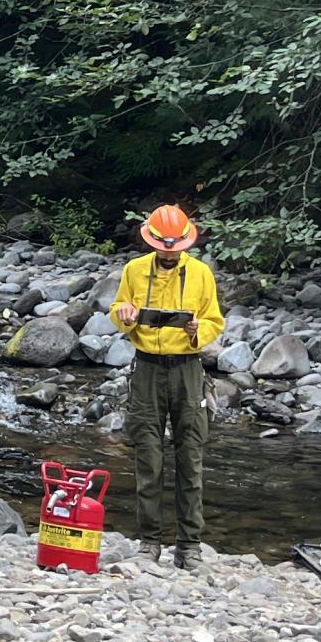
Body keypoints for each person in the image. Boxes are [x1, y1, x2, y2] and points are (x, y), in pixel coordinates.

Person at [109, 203, 222, 570]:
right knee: (149, 457)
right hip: (147, 369)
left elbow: (214, 321)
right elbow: (118, 310)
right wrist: (124, 316)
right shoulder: (134, 271)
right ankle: (149, 543)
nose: (170, 254)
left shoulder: (202, 274)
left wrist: (197, 332)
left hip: (188, 370)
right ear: (152, 242)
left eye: (175, 249)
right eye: (164, 248)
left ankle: (189, 545)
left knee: (191, 456)